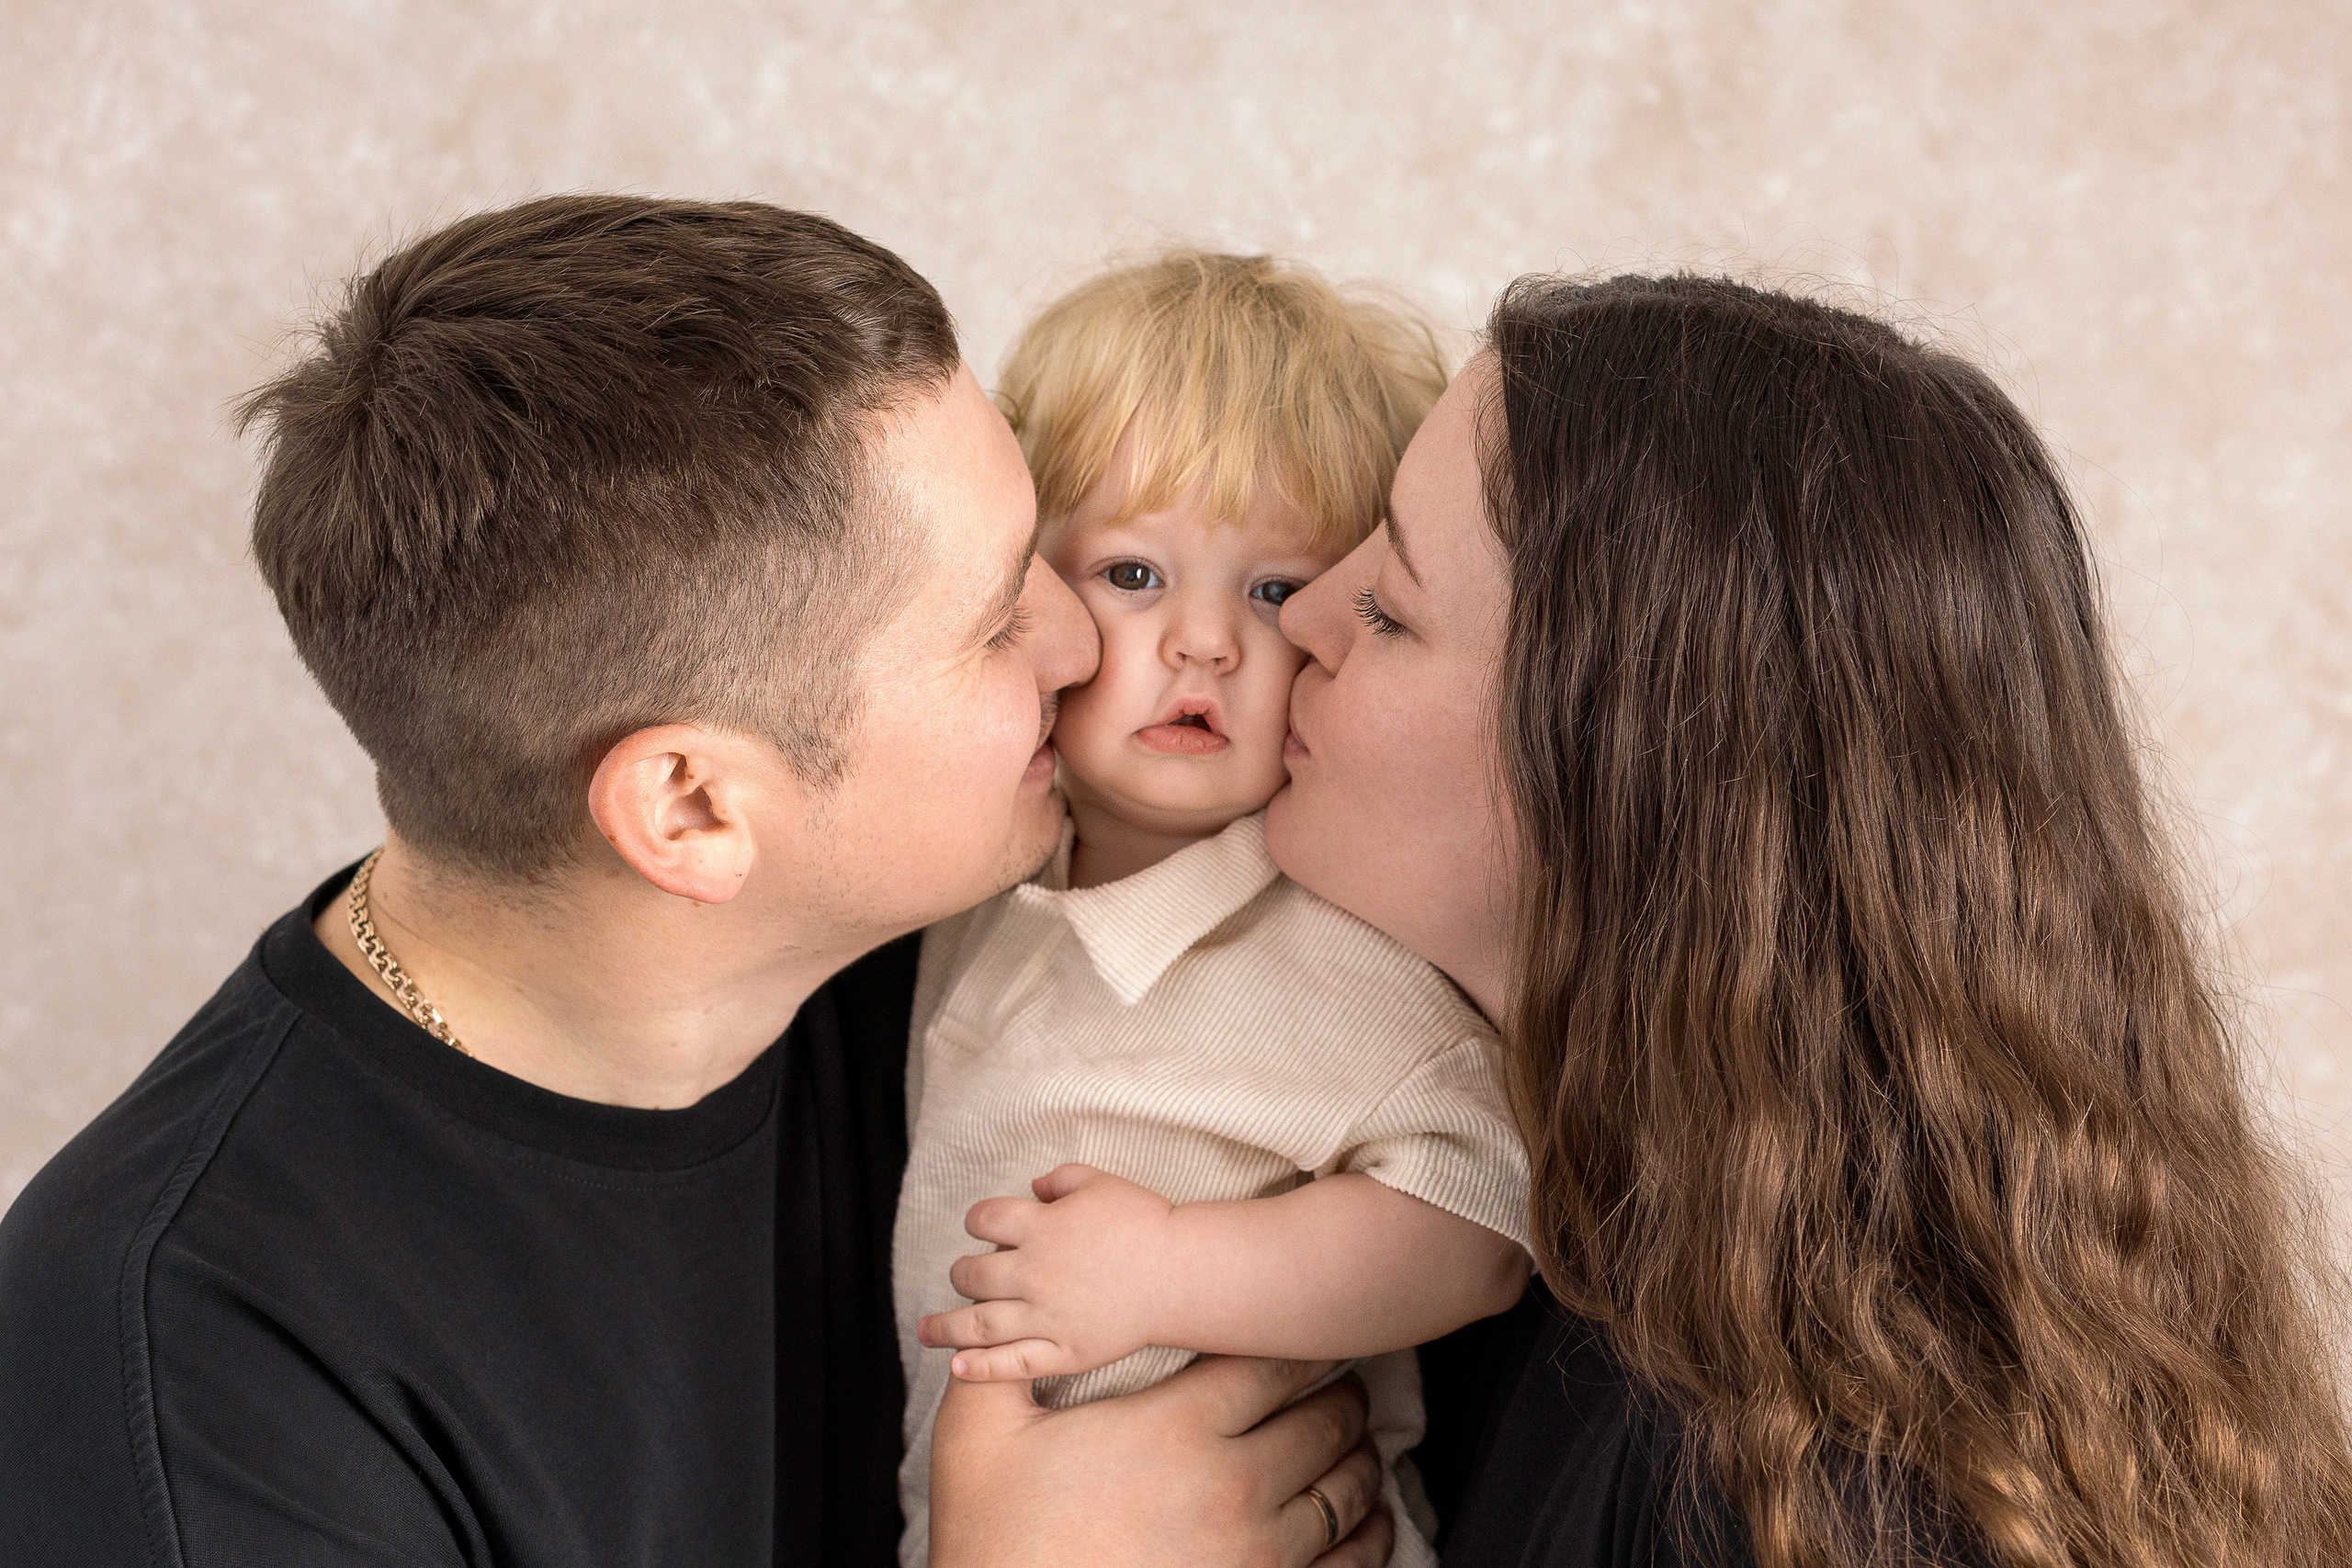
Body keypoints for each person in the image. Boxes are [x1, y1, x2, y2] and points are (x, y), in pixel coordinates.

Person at [0, 195, 1396, 1568]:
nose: (1079, 640)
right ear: (692, 809)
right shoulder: (193, 1371)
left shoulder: (960, 953)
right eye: (991, 621)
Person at [1271, 274, 2352, 1566]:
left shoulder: (1790, 1504)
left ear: (1630, 784)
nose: (1304, 613)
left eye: (1392, 607)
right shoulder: (1501, 1255)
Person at [893, 253, 1529, 1568]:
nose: (1206, 644)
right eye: (1135, 576)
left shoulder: (1333, 947)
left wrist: (1176, 1271)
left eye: (1273, 590)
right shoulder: (980, 881)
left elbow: (1476, 1225)